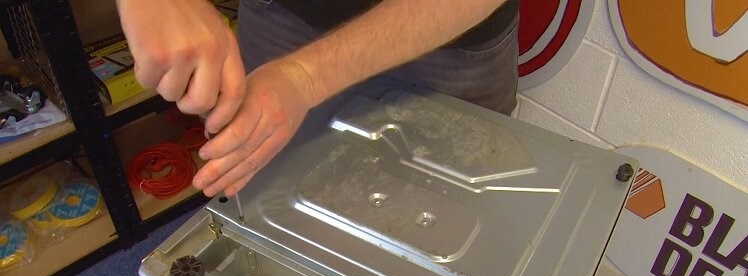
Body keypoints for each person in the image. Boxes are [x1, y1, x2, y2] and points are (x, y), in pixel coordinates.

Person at [116, 0, 518, 198]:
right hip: (281, 13)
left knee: (444, 244)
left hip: (449, 41)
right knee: (275, 209)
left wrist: (305, 77)